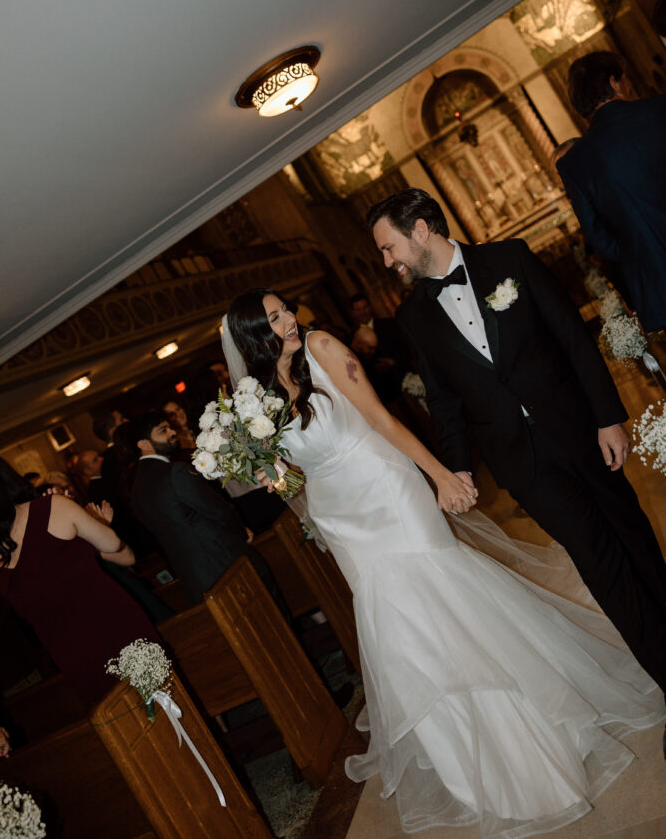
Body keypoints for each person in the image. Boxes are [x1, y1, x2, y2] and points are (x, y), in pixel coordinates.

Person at [225, 287, 663, 838]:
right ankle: (471, 771)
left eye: (286, 308)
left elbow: (382, 420)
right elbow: (292, 471)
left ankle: (530, 743)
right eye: (273, 318)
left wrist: (439, 475)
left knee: (445, 604)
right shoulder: (257, 399)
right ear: (251, 337)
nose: (289, 318)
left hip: (387, 492)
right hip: (339, 519)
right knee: (402, 637)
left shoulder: (323, 346)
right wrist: (271, 472)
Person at [367, 188, 666, 693]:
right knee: (597, 559)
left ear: (421, 230)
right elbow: (444, 401)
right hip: (522, 461)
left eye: (388, 246)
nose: (387, 260)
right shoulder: (413, 317)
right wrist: (457, 469)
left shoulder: (510, 258)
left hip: (578, 430)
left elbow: (573, 338)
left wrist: (607, 418)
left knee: (631, 532)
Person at [0, 454, 158, 706]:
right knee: (161, 695)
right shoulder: (52, 507)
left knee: (121, 719)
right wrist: (90, 525)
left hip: (68, 648)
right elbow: (113, 543)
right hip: (111, 622)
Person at [557, 51, 666, 332]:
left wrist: (639, 249)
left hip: (657, 288)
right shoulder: (660, 110)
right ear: (615, 83)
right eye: (624, 79)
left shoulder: (575, 163)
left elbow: (599, 240)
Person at [123, 414, 279, 606]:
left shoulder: (136, 490)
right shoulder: (174, 472)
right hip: (226, 562)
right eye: (163, 430)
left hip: (195, 579)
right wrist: (241, 531)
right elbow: (218, 511)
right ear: (144, 444)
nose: (172, 432)